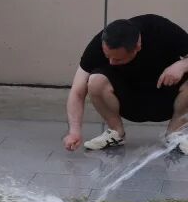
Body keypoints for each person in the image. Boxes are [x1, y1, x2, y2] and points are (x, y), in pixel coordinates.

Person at [63, 15, 188, 153]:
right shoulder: (98, 44)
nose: (111, 62)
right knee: (95, 80)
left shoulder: (160, 28)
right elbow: (77, 91)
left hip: (168, 98)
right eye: (107, 56)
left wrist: (182, 65)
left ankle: (176, 133)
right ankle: (116, 133)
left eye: (117, 59)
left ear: (138, 46)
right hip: (128, 101)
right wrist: (74, 131)